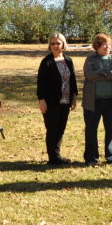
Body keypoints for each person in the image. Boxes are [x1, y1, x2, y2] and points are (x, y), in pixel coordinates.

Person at [37, 32, 78, 165]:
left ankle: (57, 155)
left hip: (65, 101)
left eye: (58, 43)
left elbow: (72, 80)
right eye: (52, 43)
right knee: (52, 129)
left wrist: (74, 97)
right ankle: (53, 158)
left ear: (63, 44)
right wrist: (41, 100)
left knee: (60, 129)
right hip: (51, 102)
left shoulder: (68, 60)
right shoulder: (46, 62)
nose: (55, 46)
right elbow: (40, 83)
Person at [82, 33, 112, 166]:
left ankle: (111, 156)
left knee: (111, 129)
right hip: (93, 102)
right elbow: (89, 75)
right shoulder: (90, 60)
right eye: (104, 44)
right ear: (97, 46)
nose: (107, 46)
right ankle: (91, 158)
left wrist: (101, 73)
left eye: (109, 44)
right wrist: (108, 73)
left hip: (111, 101)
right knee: (91, 130)